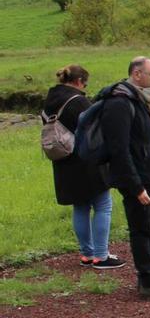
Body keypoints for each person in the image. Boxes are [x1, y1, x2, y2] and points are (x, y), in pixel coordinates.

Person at [103, 56, 150, 300]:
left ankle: (148, 274)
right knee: (141, 228)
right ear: (137, 74)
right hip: (135, 180)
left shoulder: (142, 99)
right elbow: (119, 150)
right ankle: (149, 281)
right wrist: (135, 187)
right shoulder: (120, 103)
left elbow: (149, 141)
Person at [43, 65, 124, 270]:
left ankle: (87, 254)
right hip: (86, 160)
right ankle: (101, 256)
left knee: (80, 206)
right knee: (103, 205)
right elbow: (95, 127)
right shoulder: (78, 101)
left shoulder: (49, 101)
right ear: (80, 81)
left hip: (62, 161)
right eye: (85, 84)